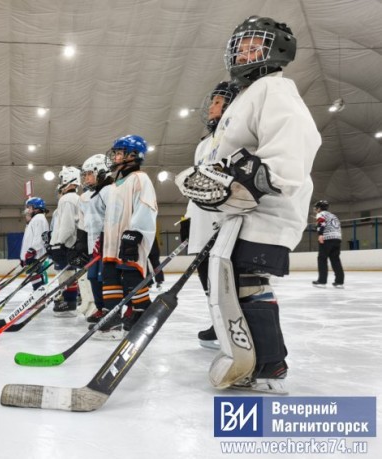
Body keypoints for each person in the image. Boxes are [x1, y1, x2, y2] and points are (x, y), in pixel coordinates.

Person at [176, 16, 321, 393]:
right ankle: (248, 359)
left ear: (278, 51)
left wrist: (256, 176)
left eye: (254, 45)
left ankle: (269, 365)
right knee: (233, 286)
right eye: (240, 45)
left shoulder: (275, 88)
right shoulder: (245, 98)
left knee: (248, 285)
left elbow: (297, 141)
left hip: (265, 210)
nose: (244, 52)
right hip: (239, 215)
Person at [189, 80, 242, 349]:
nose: (212, 105)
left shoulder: (236, 135)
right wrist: (189, 220)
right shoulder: (203, 144)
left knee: (228, 280)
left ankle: (236, 327)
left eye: (219, 101)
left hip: (225, 222)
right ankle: (218, 322)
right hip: (201, 223)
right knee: (206, 277)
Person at [97, 134, 157, 336]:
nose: (114, 157)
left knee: (131, 275)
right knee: (109, 275)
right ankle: (112, 316)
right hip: (112, 242)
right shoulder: (114, 185)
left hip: (130, 239)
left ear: (132, 155)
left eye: (119, 153)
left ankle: (142, 311)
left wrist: (134, 234)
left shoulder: (140, 179)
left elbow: (146, 208)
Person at [76, 153, 113, 323]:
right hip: (94, 246)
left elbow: (112, 219)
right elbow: (88, 224)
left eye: (89, 173)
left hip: (106, 246)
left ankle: (109, 309)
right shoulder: (93, 195)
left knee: (103, 278)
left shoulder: (108, 191)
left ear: (101, 172)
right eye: (85, 175)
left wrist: (104, 239)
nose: (86, 178)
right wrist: (83, 243)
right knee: (92, 277)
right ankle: (100, 308)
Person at [48, 166, 81, 317]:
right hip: (70, 243)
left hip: (66, 244)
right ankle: (70, 299)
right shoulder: (74, 198)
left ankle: (70, 301)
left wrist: (58, 243)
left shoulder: (67, 199)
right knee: (68, 274)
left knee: (66, 274)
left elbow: (67, 226)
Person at [312, 200, 344, 288]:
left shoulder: (321, 214)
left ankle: (322, 281)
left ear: (319, 208)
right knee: (335, 260)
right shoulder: (333, 215)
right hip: (337, 238)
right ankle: (339, 282)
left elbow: (321, 222)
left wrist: (320, 234)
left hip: (327, 238)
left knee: (322, 259)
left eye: (316, 208)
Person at [20, 197, 50, 290]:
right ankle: (38, 296)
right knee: (33, 277)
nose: (28, 210)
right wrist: (23, 256)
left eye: (29, 207)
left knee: (36, 276)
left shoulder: (39, 219)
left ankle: (39, 296)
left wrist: (32, 251)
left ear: (36, 208)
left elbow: (39, 237)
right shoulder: (35, 219)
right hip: (32, 255)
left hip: (35, 255)